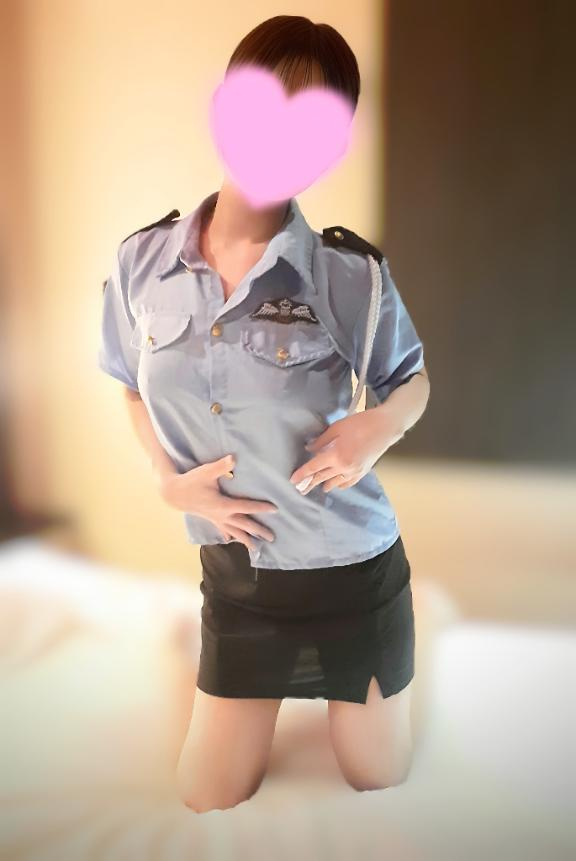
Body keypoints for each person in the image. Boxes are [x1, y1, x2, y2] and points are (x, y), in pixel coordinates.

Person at [98, 15, 430, 813]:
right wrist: (168, 481)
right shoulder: (141, 264)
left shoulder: (349, 275)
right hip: (239, 585)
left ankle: (411, 647)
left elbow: (412, 380)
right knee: (206, 795)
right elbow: (129, 381)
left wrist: (378, 426)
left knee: (376, 779)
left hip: (353, 573)